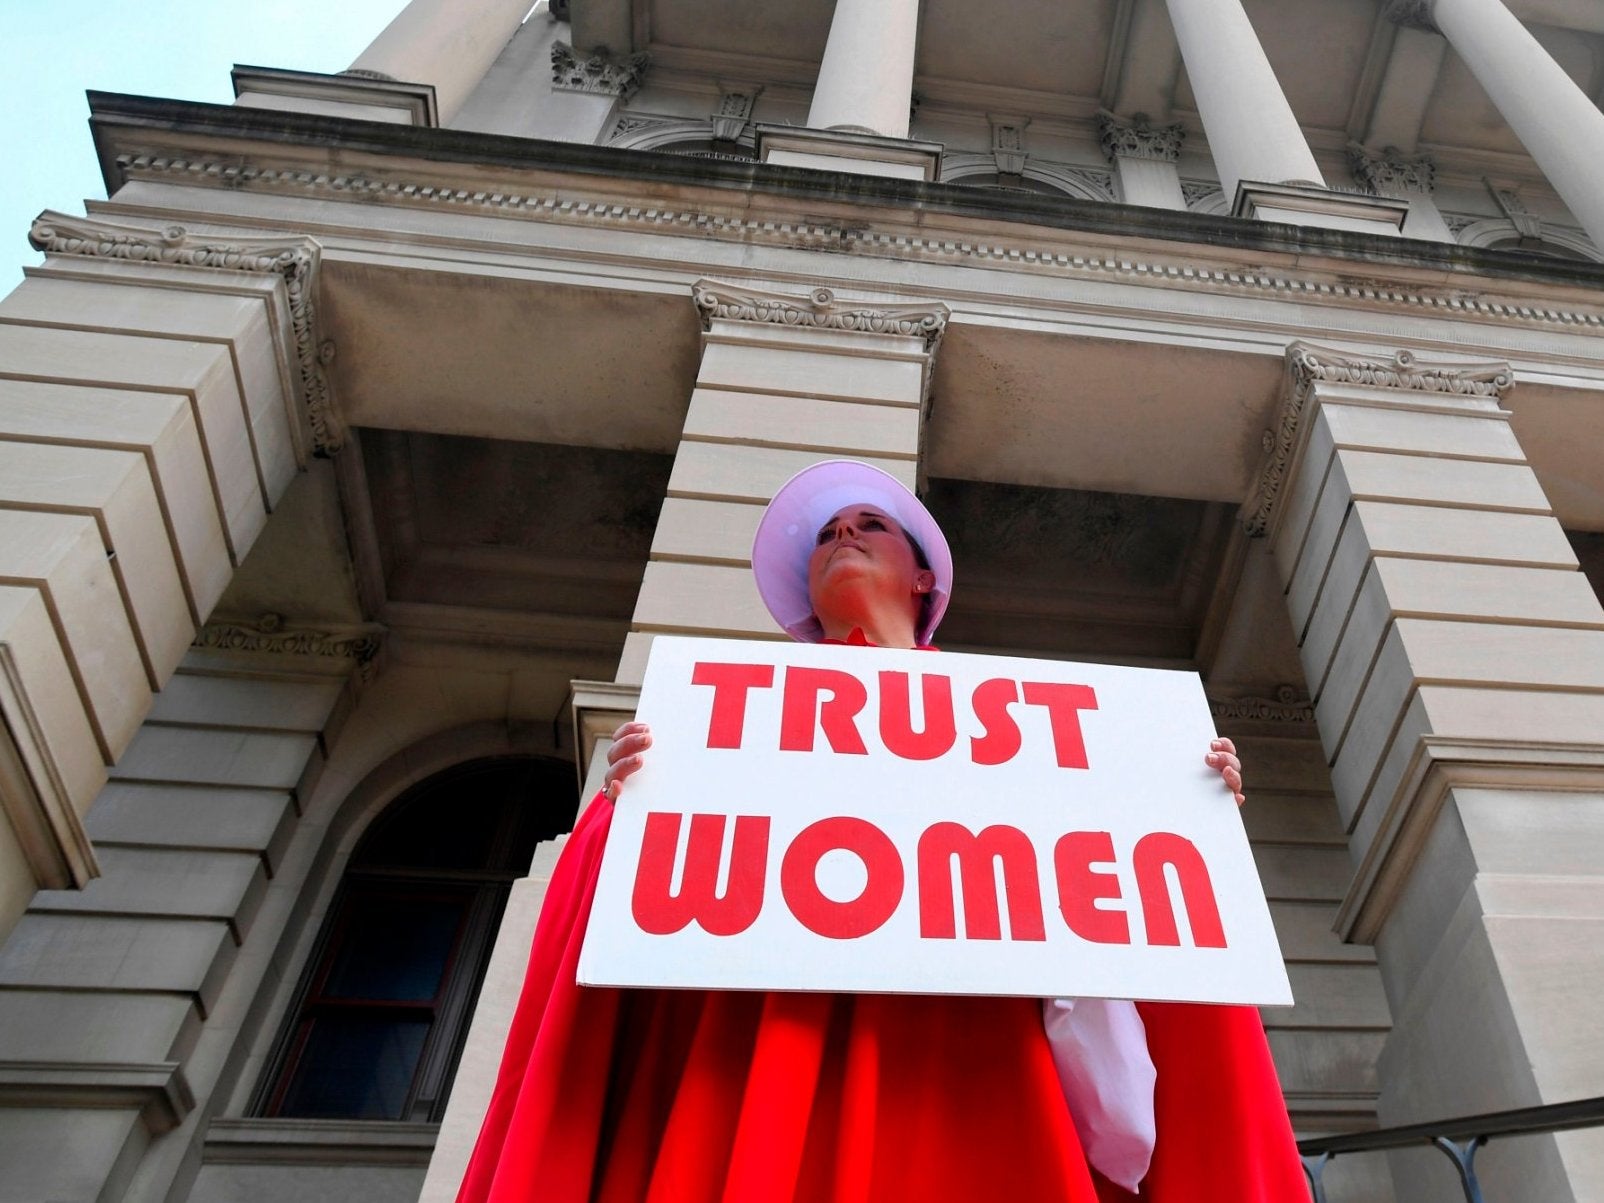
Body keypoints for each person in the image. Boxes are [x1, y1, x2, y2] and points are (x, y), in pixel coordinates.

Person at [456, 460, 1306, 1203]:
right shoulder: (731, 724)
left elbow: (1134, 895)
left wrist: (1184, 800)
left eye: (869, 525)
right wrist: (629, 806)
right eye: (825, 532)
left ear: (925, 577)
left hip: (983, 1054)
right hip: (779, 1046)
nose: (842, 535)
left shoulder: (1033, 728)